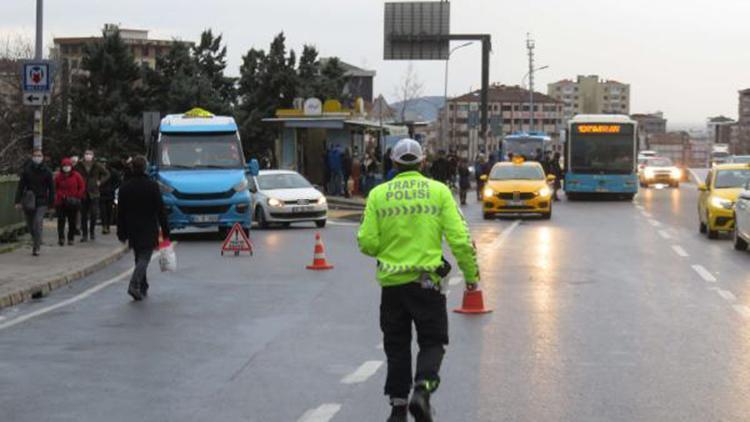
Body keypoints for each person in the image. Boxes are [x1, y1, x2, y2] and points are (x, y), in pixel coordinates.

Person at [357, 138, 480, 422]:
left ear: (394, 162)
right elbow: (460, 239)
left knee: (397, 345)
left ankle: (398, 408)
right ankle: (422, 390)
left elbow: (366, 242)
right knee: (433, 341)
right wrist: (471, 277)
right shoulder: (439, 192)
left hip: (392, 286)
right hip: (427, 284)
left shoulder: (378, 194)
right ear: (422, 162)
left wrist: (389, 247)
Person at [117, 156, 170, 301]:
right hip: (148, 226)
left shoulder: (125, 187)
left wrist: (121, 232)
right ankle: (134, 284)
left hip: (132, 227)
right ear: (145, 167)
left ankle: (142, 285)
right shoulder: (152, 185)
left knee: (138, 255)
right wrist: (166, 230)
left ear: (132, 168)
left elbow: (120, 212)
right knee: (144, 257)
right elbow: (160, 209)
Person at [14, 148, 54, 256]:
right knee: (30, 226)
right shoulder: (27, 170)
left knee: (37, 223)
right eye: (36, 155)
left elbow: (51, 189)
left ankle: (36, 247)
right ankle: (36, 238)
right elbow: (20, 186)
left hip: (42, 202)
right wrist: (17, 201)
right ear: (32, 157)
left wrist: (51, 204)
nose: (38, 157)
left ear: (42, 157)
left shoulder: (47, 171)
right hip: (29, 201)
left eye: (39, 155)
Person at [75, 149, 110, 242]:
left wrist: (100, 182)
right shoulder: (79, 165)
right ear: (83, 155)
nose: (88, 156)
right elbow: (73, 174)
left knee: (94, 213)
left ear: (93, 156)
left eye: (90, 154)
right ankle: (85, 234)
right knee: (83, 214)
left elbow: (107, 174)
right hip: (83, 192)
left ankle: (92, 231)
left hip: (94, 192)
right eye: (86, 154)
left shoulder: (97, 165)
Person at [54, 158, 85, 246]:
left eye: (68, 166)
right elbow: (55, 188)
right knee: (61, 221)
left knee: (72, 221)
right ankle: (61, 238)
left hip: (73, 201)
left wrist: (77, 196)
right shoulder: (58, 176)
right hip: (61, 201)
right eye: (64, 166)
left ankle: (70, 238)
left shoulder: (76, 175)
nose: (66, 167)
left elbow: (82, 187)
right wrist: (60, 195)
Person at [100, 160, 122, 235]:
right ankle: (104, 226)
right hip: (101, 194)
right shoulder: (99, 171)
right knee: (103, 211)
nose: (103, 164)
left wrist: (112, 188)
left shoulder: (113, 172)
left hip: (110, 194)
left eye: (104, 163)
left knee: (109, 211)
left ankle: (108, 226)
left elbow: (118, 182)